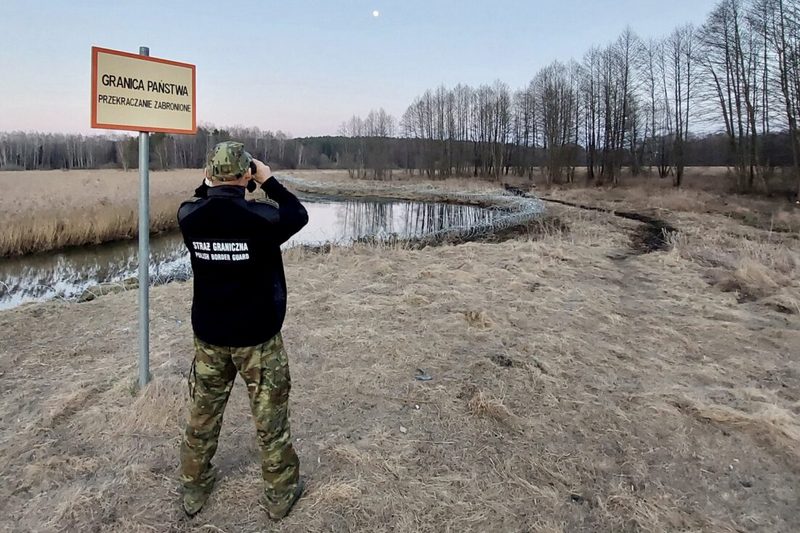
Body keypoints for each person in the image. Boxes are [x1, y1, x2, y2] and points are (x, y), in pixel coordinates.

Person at [177, 141, 309, 520]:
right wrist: (268, 181)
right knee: (271, 420)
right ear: (246, 175)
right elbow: (297, 214)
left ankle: (194, 488)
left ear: (209, 175)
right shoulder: (262, 220)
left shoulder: (189, 217)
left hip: (210, 337)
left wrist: (211, 183)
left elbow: (203, 199)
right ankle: (281, 495)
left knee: (203, 415)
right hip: (257, 339)